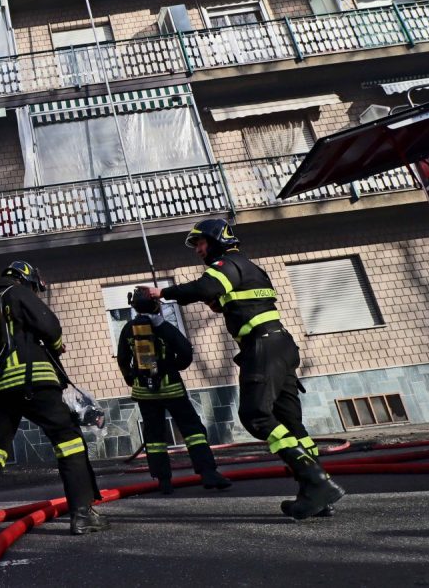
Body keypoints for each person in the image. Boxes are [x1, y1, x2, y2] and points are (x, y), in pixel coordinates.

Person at [136, 219, 344, 519]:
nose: (198, 251)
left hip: (261, 346)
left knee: (256, 415)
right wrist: (220, 304)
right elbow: (238, 299)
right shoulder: (251, 267)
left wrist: (161, 294)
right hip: (282, 346)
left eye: (200, 243)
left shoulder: (224, 264)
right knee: (290, 423)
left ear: (215, 240)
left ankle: (315, 481)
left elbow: (205, 286)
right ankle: (315, 494)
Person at [0, 261, 108, 539]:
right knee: (68, 439)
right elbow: (49, 325)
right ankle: (83, 514)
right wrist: (58, 343)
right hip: (33, 381)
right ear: (27, 279)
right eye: (35, 287)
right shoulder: (17, 292)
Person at [116, 291, 230, 494]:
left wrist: (132, 379)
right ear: (155, 306)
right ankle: (208, 473)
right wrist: (174, 367)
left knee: (154, 436)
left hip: (144, 393)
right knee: (192, 430)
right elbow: (185, 350)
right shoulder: (164, 326)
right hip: (172, 388)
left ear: (134, 306)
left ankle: (163, 481)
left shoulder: (127, 329)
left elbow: (123, 359)